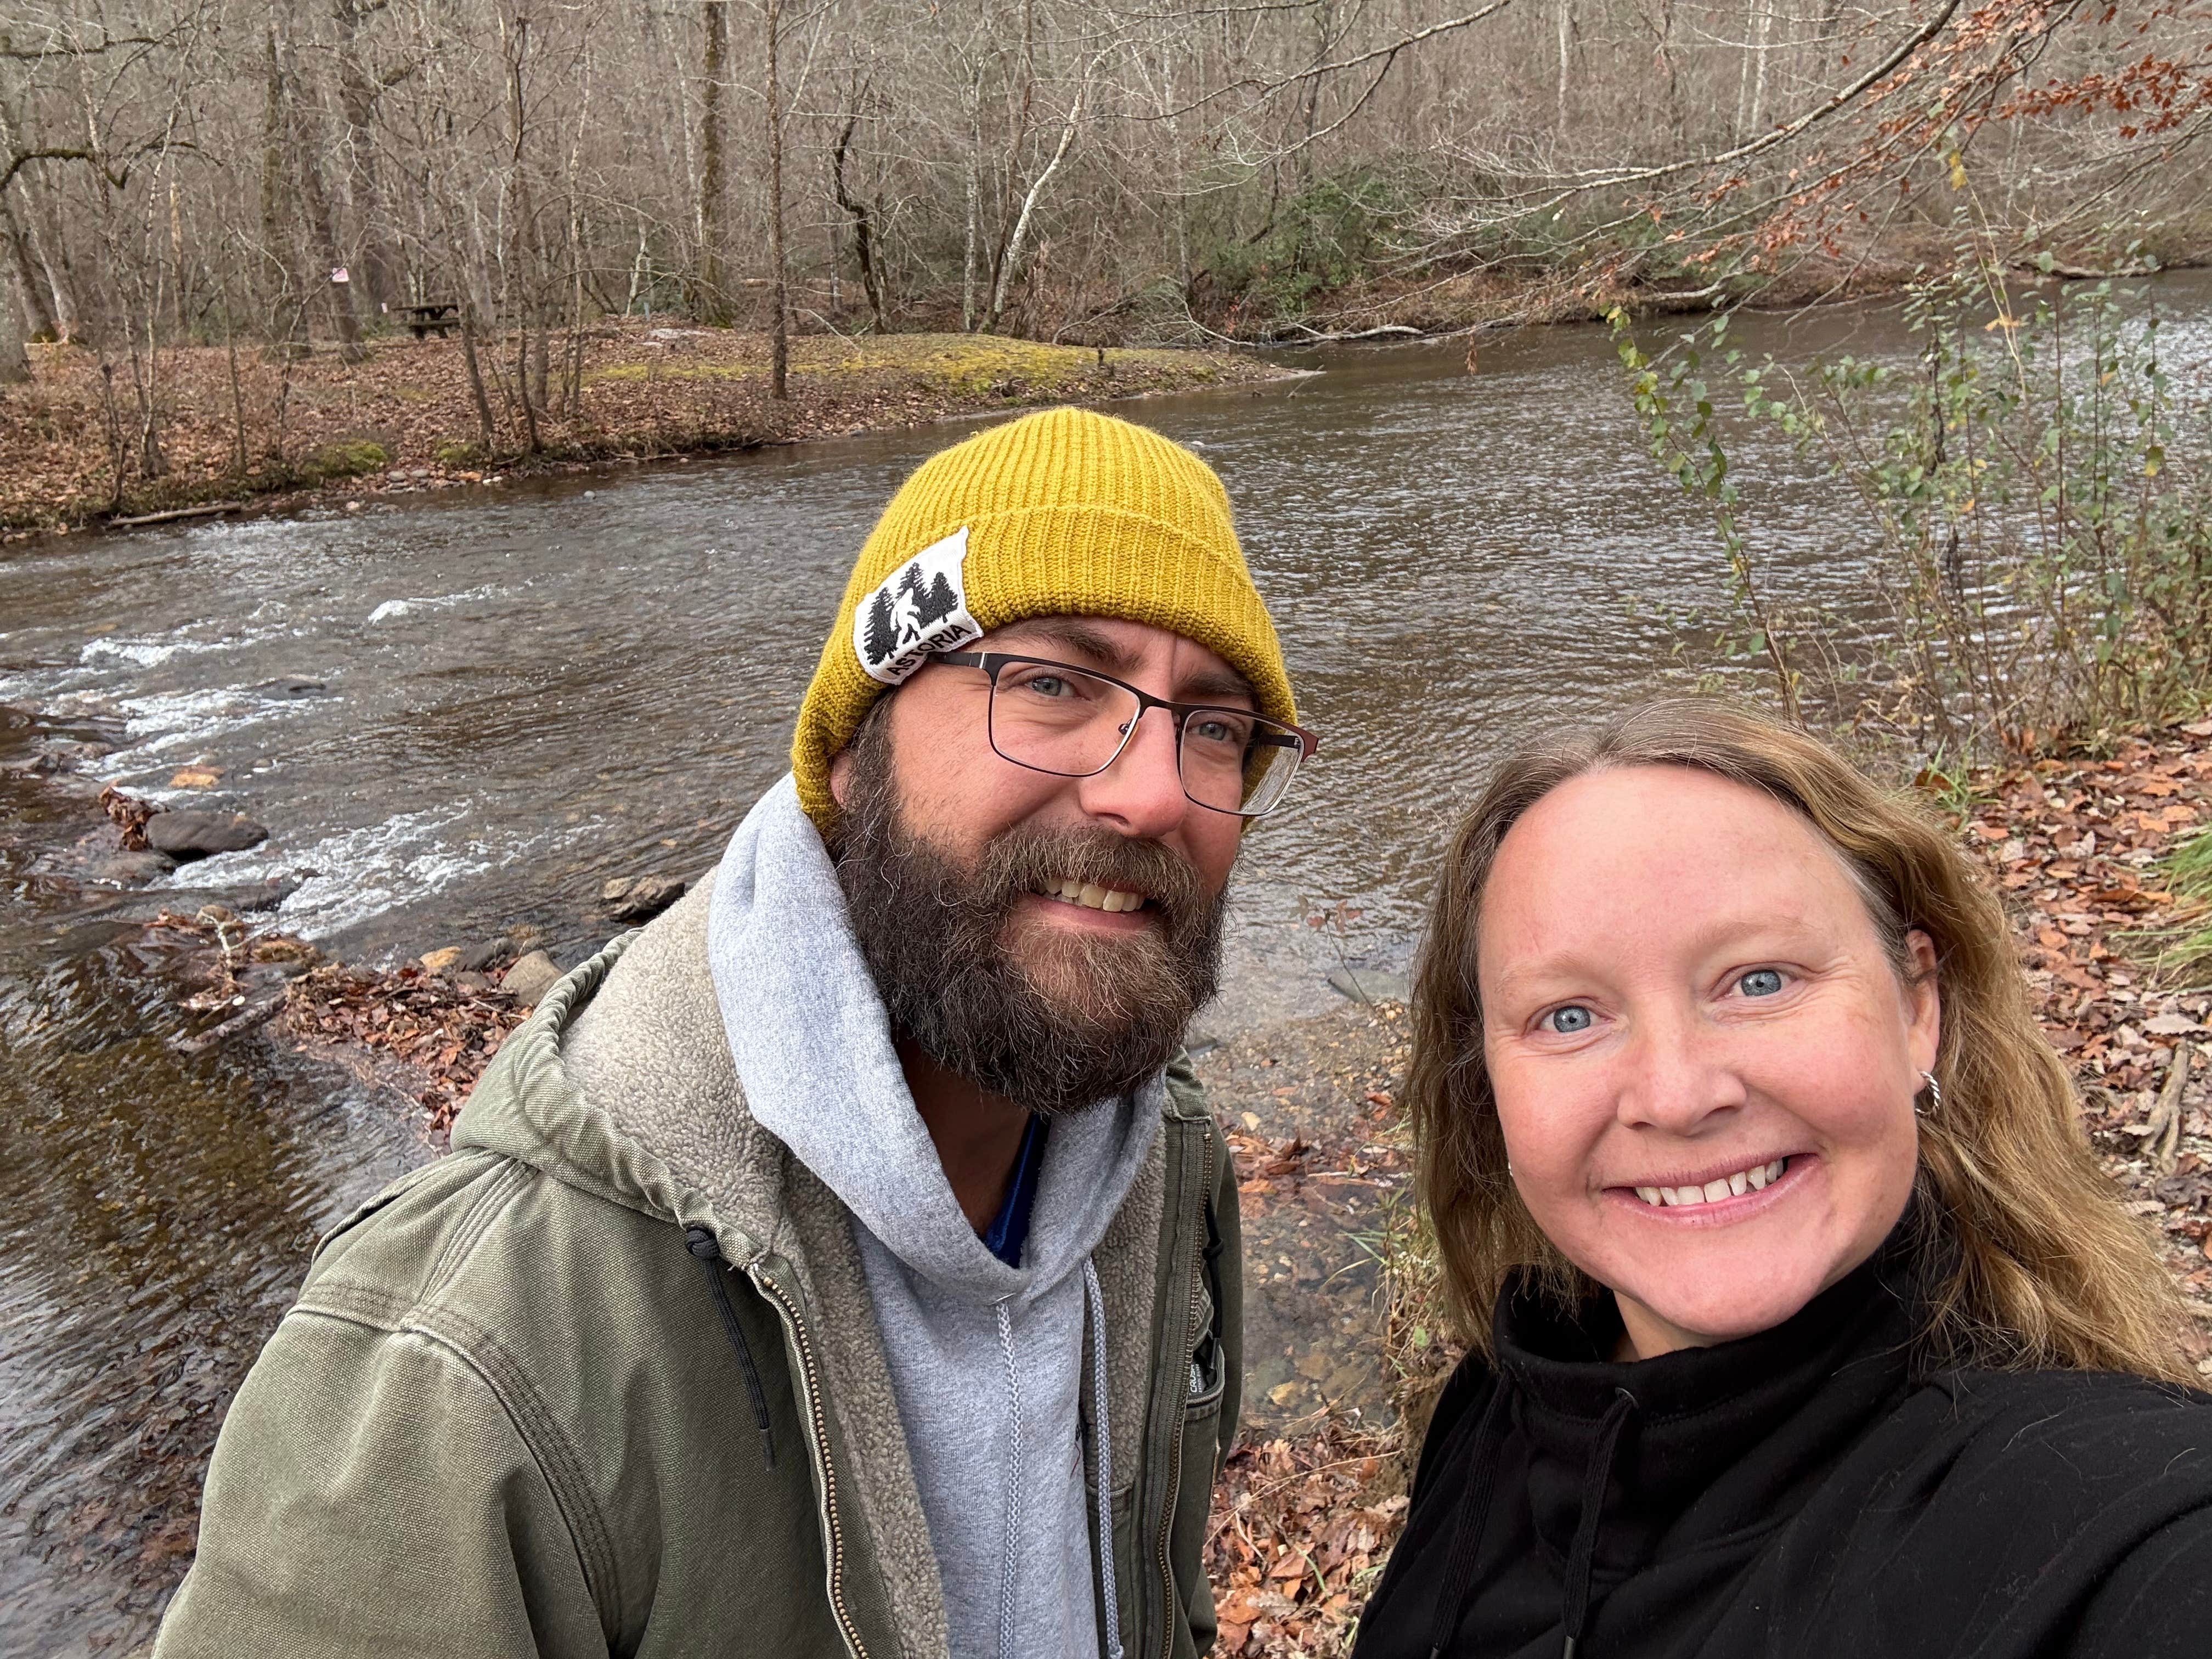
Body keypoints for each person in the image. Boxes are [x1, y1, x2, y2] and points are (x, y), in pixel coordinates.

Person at [155, 407, 1319, 1659]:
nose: (1152, 788)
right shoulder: (466, 1364)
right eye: (1049, 684)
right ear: (858, 750)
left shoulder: (1166, 1165)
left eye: (1214, 726)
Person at [1354, 698, 2212, 1659]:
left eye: (1759, 980)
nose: (1676, 1096)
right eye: (1568, 1016)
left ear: (1916, 1003)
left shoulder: (2092, 1501)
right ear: (1489, 1084)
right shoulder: (1503, 1404)